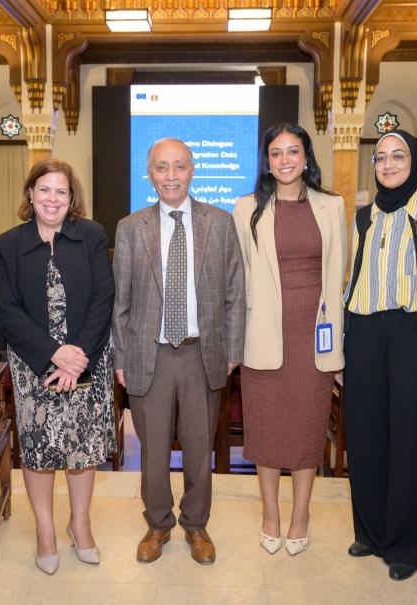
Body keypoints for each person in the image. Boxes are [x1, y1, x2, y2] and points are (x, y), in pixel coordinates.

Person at [112, 137, 245, 565]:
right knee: (151, 451)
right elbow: (121, 302)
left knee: (199, 447)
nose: (171, 176)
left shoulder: (220, 224)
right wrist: (120, 358)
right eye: (161, 168)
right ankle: (157, 524)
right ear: (149, 174)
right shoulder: (131, 227)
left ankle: (196, 524)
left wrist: (232, 349)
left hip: (201, 353)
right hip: (147, 353)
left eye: (179, 167)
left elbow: (234, 294)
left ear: (192, 170)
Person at [342, 129, 417, 581]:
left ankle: (410, 547)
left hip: (415, 335)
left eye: (399, 156)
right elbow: (347, 282)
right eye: (382, 158)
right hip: (365, 335)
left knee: (410, 440)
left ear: (414, 162)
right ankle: (371, 532)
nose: (389, 164)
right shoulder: (361, 218)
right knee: (367, 437)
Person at [0, 159, 115, 575]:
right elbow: (7, 310)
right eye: (43, 190)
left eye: (60, 191)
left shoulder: (93, 235)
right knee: (40, 450)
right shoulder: (8, 244)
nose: (52, 198)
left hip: (89, 357)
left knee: (82, 448)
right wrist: (52, 353)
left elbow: (104, 298)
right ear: (30, 194)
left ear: (71, 197)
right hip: (33, 364)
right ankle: (45, 530)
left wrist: (77, 355)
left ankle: (80, 524)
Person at [231, 123, 345, 556]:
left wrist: (339, 342)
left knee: (306, 429)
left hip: (314, 336)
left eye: (292, 151)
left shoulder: (332, 205)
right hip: (263, 334)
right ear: (267, 160)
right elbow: (239, 275)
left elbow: (339, 274)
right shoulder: (246, 209)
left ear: (306, 156)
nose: (284, 160)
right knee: (266, 430)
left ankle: (301, 514)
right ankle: (270, 514)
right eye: (276, 153)